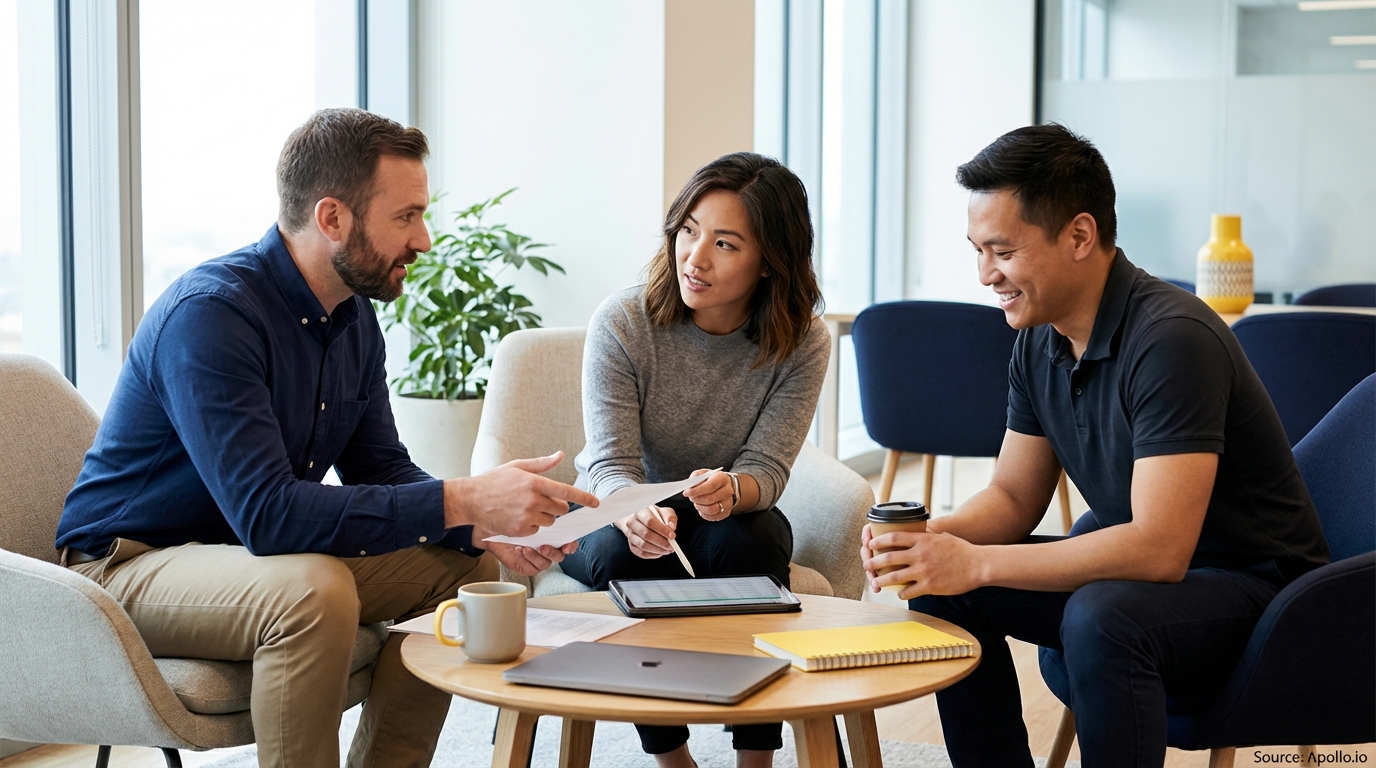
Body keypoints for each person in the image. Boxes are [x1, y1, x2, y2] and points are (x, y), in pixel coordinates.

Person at [55, 108, 599, 768]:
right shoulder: (213, 314)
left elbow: (383, 468)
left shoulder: (353, 318)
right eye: (406, 216)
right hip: (126, 567)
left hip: (245, 557)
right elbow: (270, 516)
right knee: (315, 590)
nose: (424, 239)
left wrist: (479, 526)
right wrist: (464, 500)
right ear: (333, 217)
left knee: (467, 570)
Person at [860, 124, 1329, 768]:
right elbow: (1013, 496)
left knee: (1101, 615)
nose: (984, 275)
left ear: (1079, 236)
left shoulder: (1172, 338)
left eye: (1002, 251)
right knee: (942, 589)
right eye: (977, 250)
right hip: (1146, 577)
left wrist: (979, 562)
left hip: (1257, 597)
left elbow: (1160, 549)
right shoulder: (1038, 338)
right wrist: (936, 543)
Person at [559, 152, 828, 768]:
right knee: (627, 554)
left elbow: (769, 468)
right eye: (688, 231)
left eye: (726, 243)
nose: (695, 257)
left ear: (770, 263)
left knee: (757, 544)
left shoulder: (802, 338)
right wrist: (633, 511)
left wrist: (735, 489)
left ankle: (754, 756)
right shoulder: (624, 321)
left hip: (717, 509)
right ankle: (673, 757)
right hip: (615, 507)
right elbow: (609, 464)